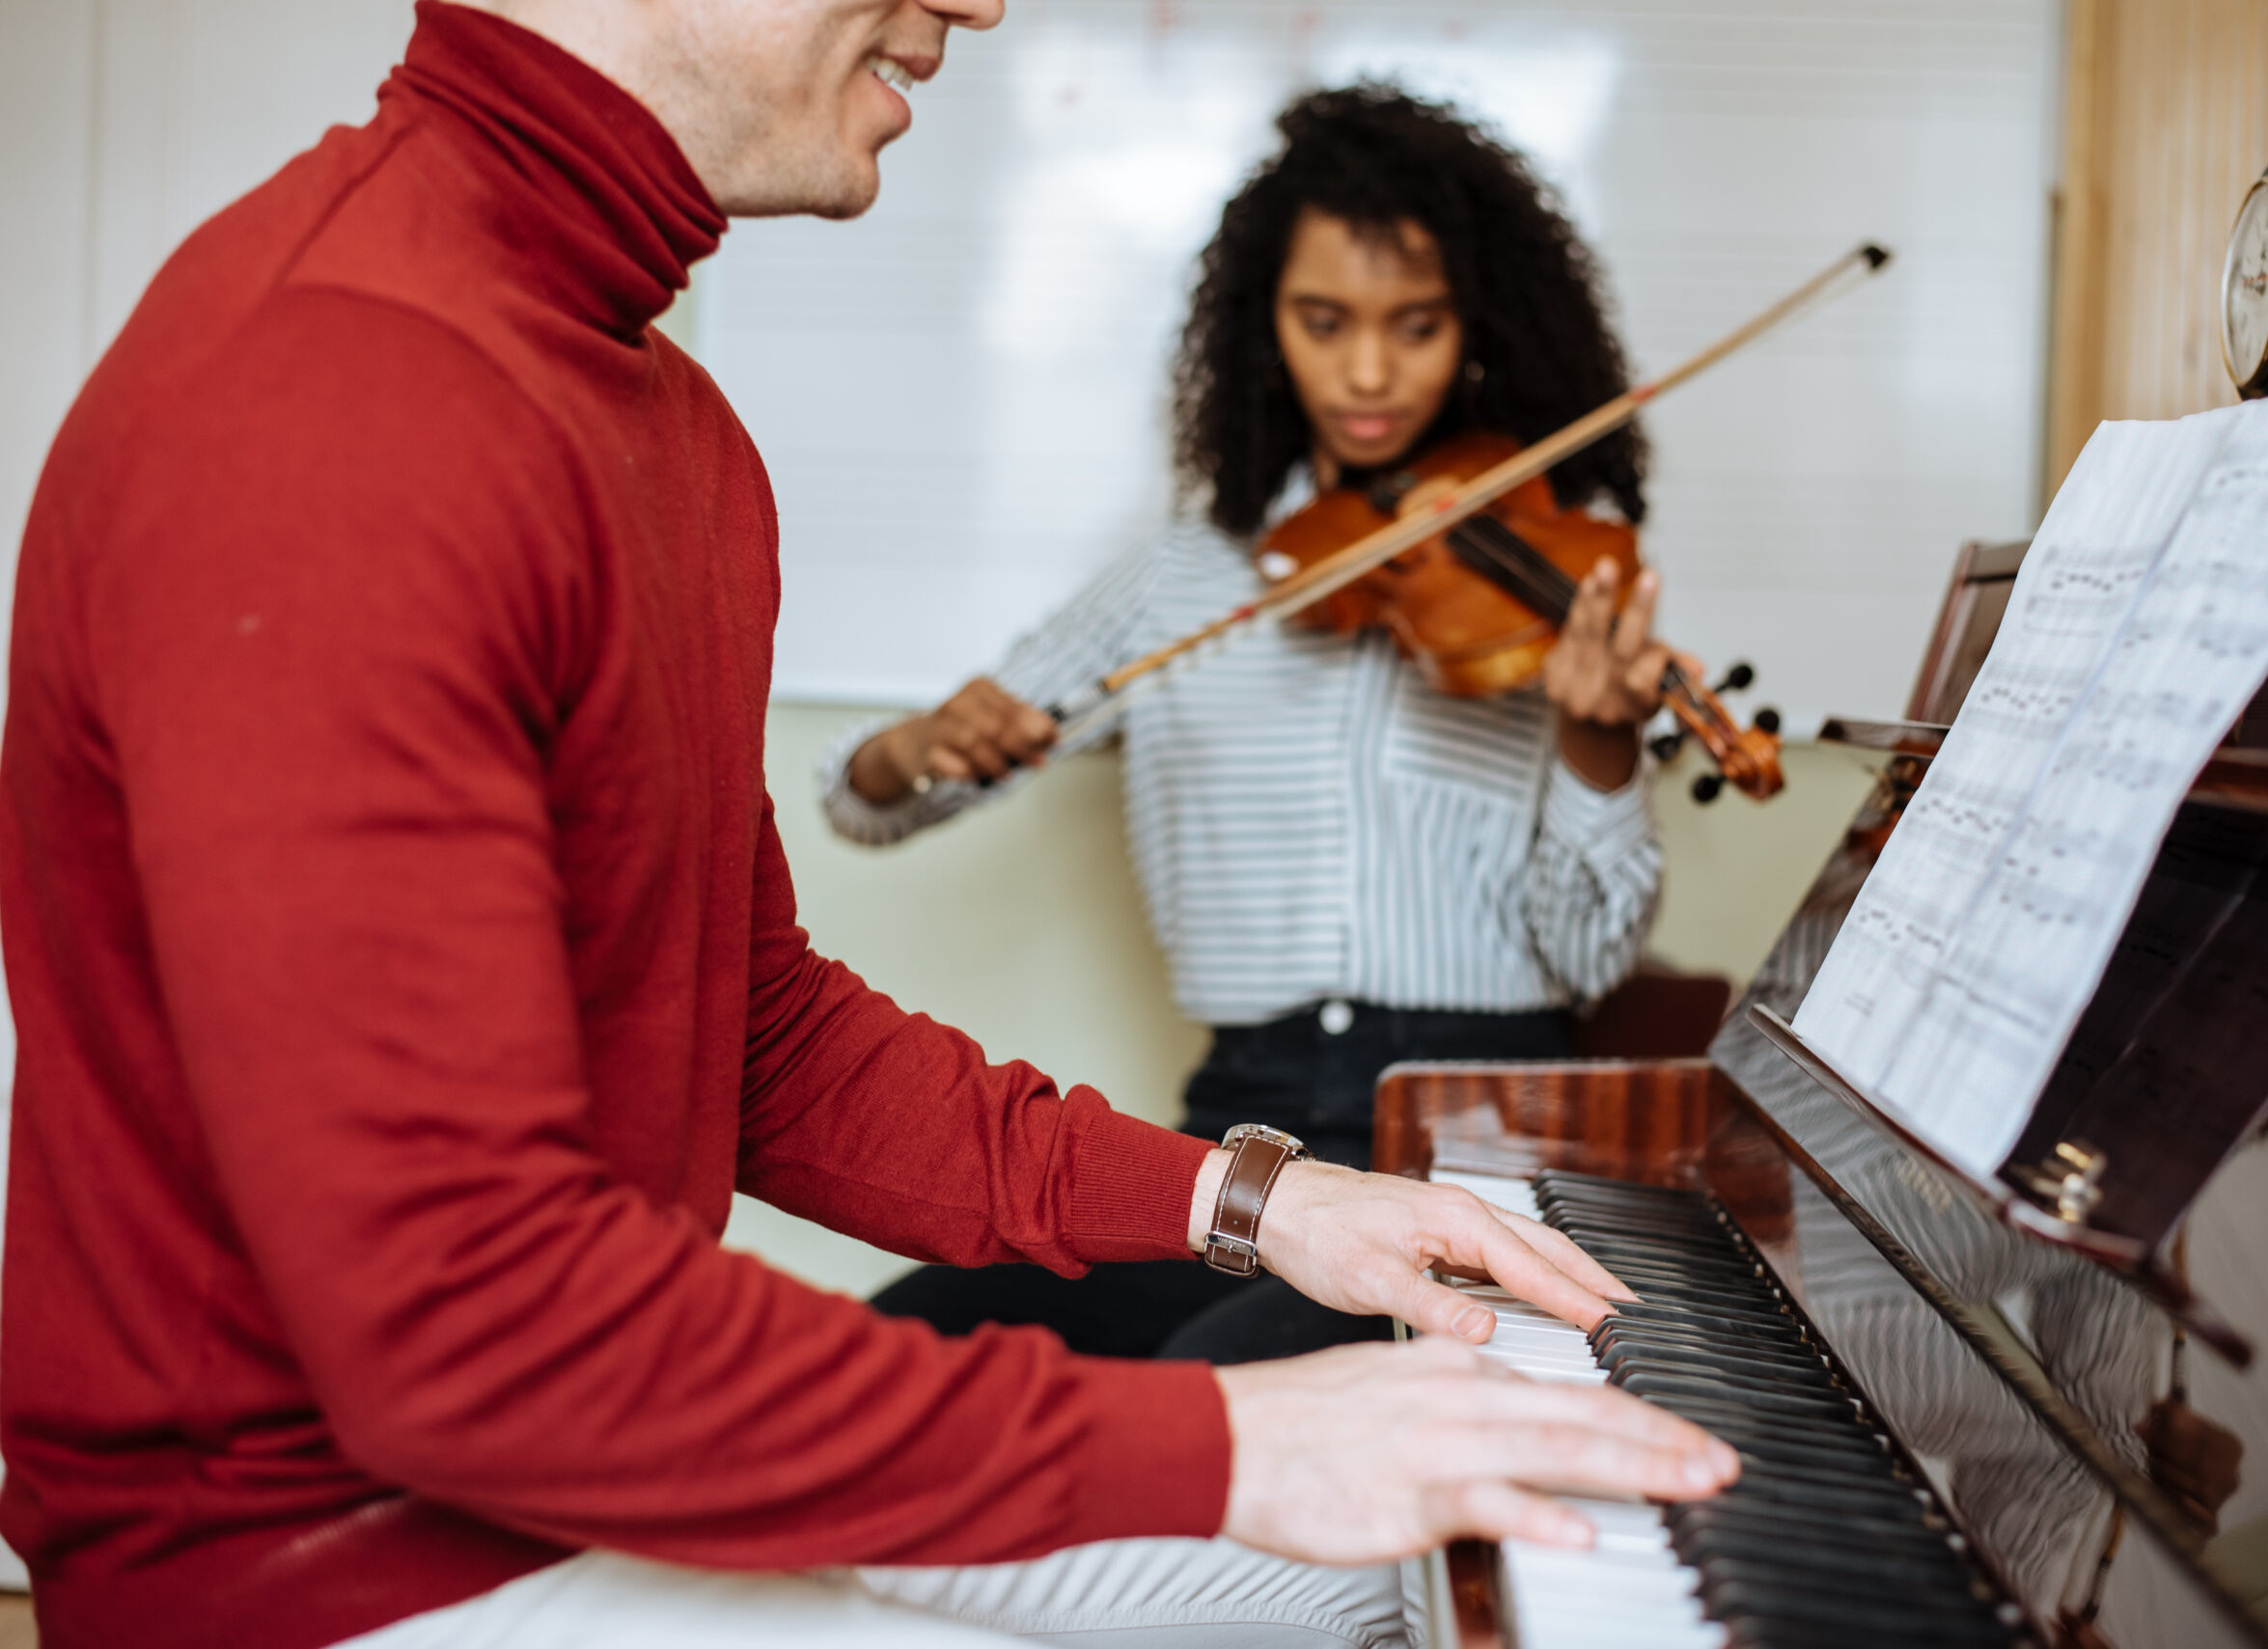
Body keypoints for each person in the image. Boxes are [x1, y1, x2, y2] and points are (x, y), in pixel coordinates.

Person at [0, 2, 1739, 1646]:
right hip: (348, 1567)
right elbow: (467, 1324)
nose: (982, 5)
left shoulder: (667, 423)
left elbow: (758, 1038)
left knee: (1428, 1564)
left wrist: (1262, 1203)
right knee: (1382, 1554)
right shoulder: (345, 400)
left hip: (563, 1478)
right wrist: (1232, 1445)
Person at [831, 86, 1677, 1366]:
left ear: (1484, 328)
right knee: (904, 1345)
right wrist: (912, 748)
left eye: (1418, 325)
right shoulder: (1184, 580)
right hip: (1249, 1139)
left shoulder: (1549, 580)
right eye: (1325, 322)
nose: (1371, 372)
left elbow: (1592, 954)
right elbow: (870, 801)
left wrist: (1599, 746)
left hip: (1482, 1139)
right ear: (1262, 324)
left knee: (1203, 1398)